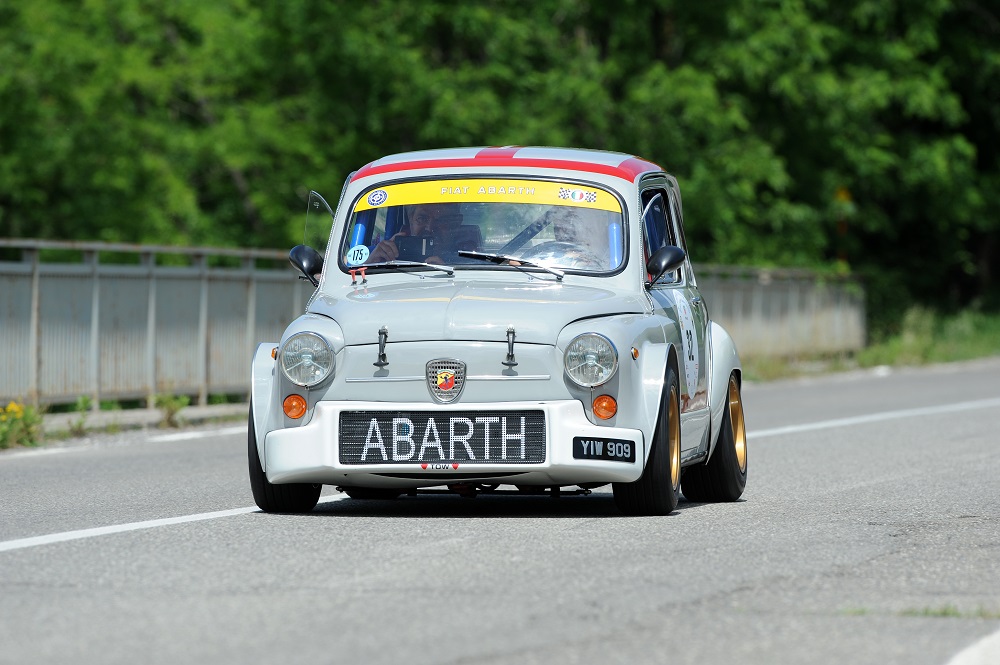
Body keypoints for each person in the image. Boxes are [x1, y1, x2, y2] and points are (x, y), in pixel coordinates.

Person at [366, 203, 464, 264]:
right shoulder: (390, 256)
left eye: (442, 221)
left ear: (456, 224)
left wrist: (446, 271)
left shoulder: (472, 260)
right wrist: (373, 265)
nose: (429, 228)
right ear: (411, 220)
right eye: (422, 219)